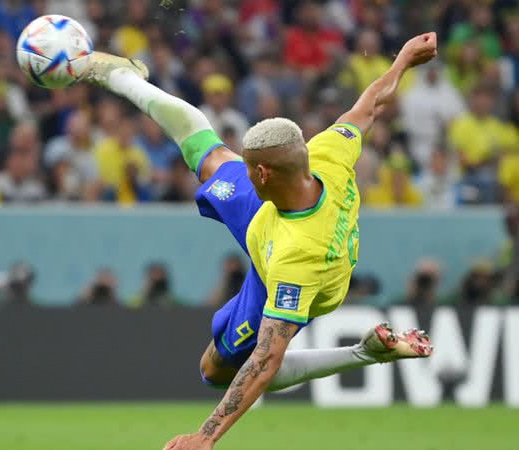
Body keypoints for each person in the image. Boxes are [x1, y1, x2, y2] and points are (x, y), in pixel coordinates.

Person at [81, 31, 437, 450]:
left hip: (287, 263)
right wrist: (404, 61)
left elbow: (266, 362)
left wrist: (205, 437)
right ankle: (124, 79)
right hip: (274, 212)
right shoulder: (327, 154)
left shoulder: (295, 263)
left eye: (248, 166)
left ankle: (363, 352)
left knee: (215, 371)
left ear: (263, 173)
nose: (243, 168)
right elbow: (371, 104)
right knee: (209, 155)